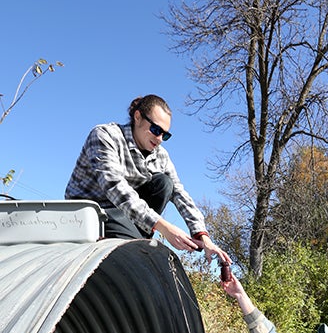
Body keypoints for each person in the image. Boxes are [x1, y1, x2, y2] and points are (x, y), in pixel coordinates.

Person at [65, 94, 230, 263]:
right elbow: (114, 187)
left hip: (127, 213)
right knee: (134, 252)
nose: (159, 139)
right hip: (93, 211)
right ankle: (131, 240)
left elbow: (180, 194)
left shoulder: (161, 156)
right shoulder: (105, 135)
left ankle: (137, 234)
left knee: (165, 183)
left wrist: (203, 237)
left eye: (165, 135)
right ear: (138, 117)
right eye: (156, 130)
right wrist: (165, 228)